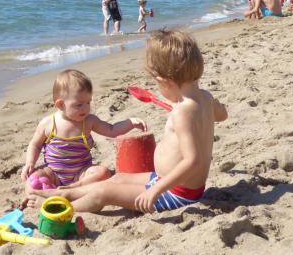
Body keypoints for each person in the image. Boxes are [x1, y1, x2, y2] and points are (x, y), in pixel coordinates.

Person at [23, 30, 227, 213]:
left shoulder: (182, 112)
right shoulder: (205, 98)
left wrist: (155, 190)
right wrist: (206, 109)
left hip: (175, 193)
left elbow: (193, 161)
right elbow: (222, 115)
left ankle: (64, 206)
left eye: (157, 84)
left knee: (105, 192)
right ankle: (67, 193)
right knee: (116, 178)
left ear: (165, 81)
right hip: (168, 182)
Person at [20, 69, 147, 193]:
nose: (85, 108)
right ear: (60, 105)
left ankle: (75, 187)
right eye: (79, 104)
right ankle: (45, 192)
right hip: (54, 173)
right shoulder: (48, 123)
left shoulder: (89, 121)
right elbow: (35, 145)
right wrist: (30, 163)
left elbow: (111, 130)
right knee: (32, 179)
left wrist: (130, 122)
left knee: (103, 172)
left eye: (88, 102)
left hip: (81, 173)